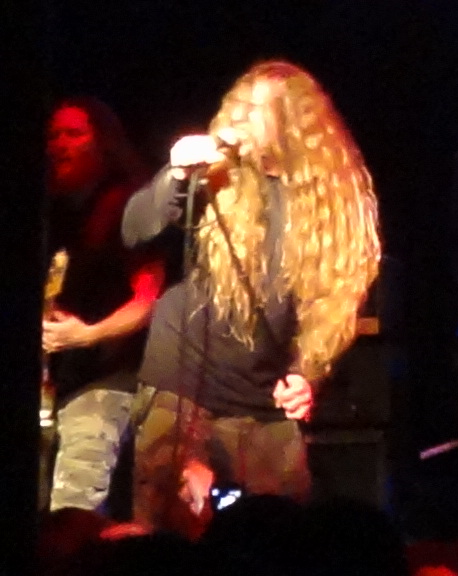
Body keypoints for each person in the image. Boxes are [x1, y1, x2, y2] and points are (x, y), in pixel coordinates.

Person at [121, 60, 382, 536]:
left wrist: (307, 374)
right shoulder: (215, 173)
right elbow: (135, 229)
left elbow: (335, 301)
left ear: (295, 124)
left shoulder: (333, 202)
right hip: (182, 383)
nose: (239, 116)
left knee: (281, 537)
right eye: (237, 104)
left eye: (257, 108)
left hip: (262, 401)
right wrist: (176, 176)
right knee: (170, 531)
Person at [43, 98, 165, 514]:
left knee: (73, 507)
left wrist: (86, 334)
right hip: (64, 382)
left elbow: (148, 299)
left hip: (109, 380)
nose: (59, 144)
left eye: (73, 133)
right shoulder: (61, 212)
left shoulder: (126, 205)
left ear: (105, 142)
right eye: (53, 134)